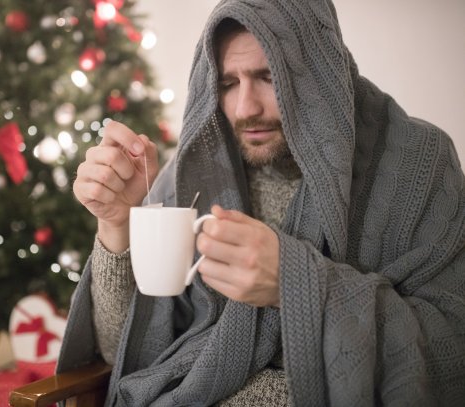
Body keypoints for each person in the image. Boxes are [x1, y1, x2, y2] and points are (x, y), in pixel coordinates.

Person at [58, 0, 465, 405]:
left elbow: (453, 347)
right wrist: (115, 226)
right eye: (228, 84)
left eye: (270, 76)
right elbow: (121, 353)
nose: (245, 109)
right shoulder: (196, 173)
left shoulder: (418, 164)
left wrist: (296, 286)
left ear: (319, 71)